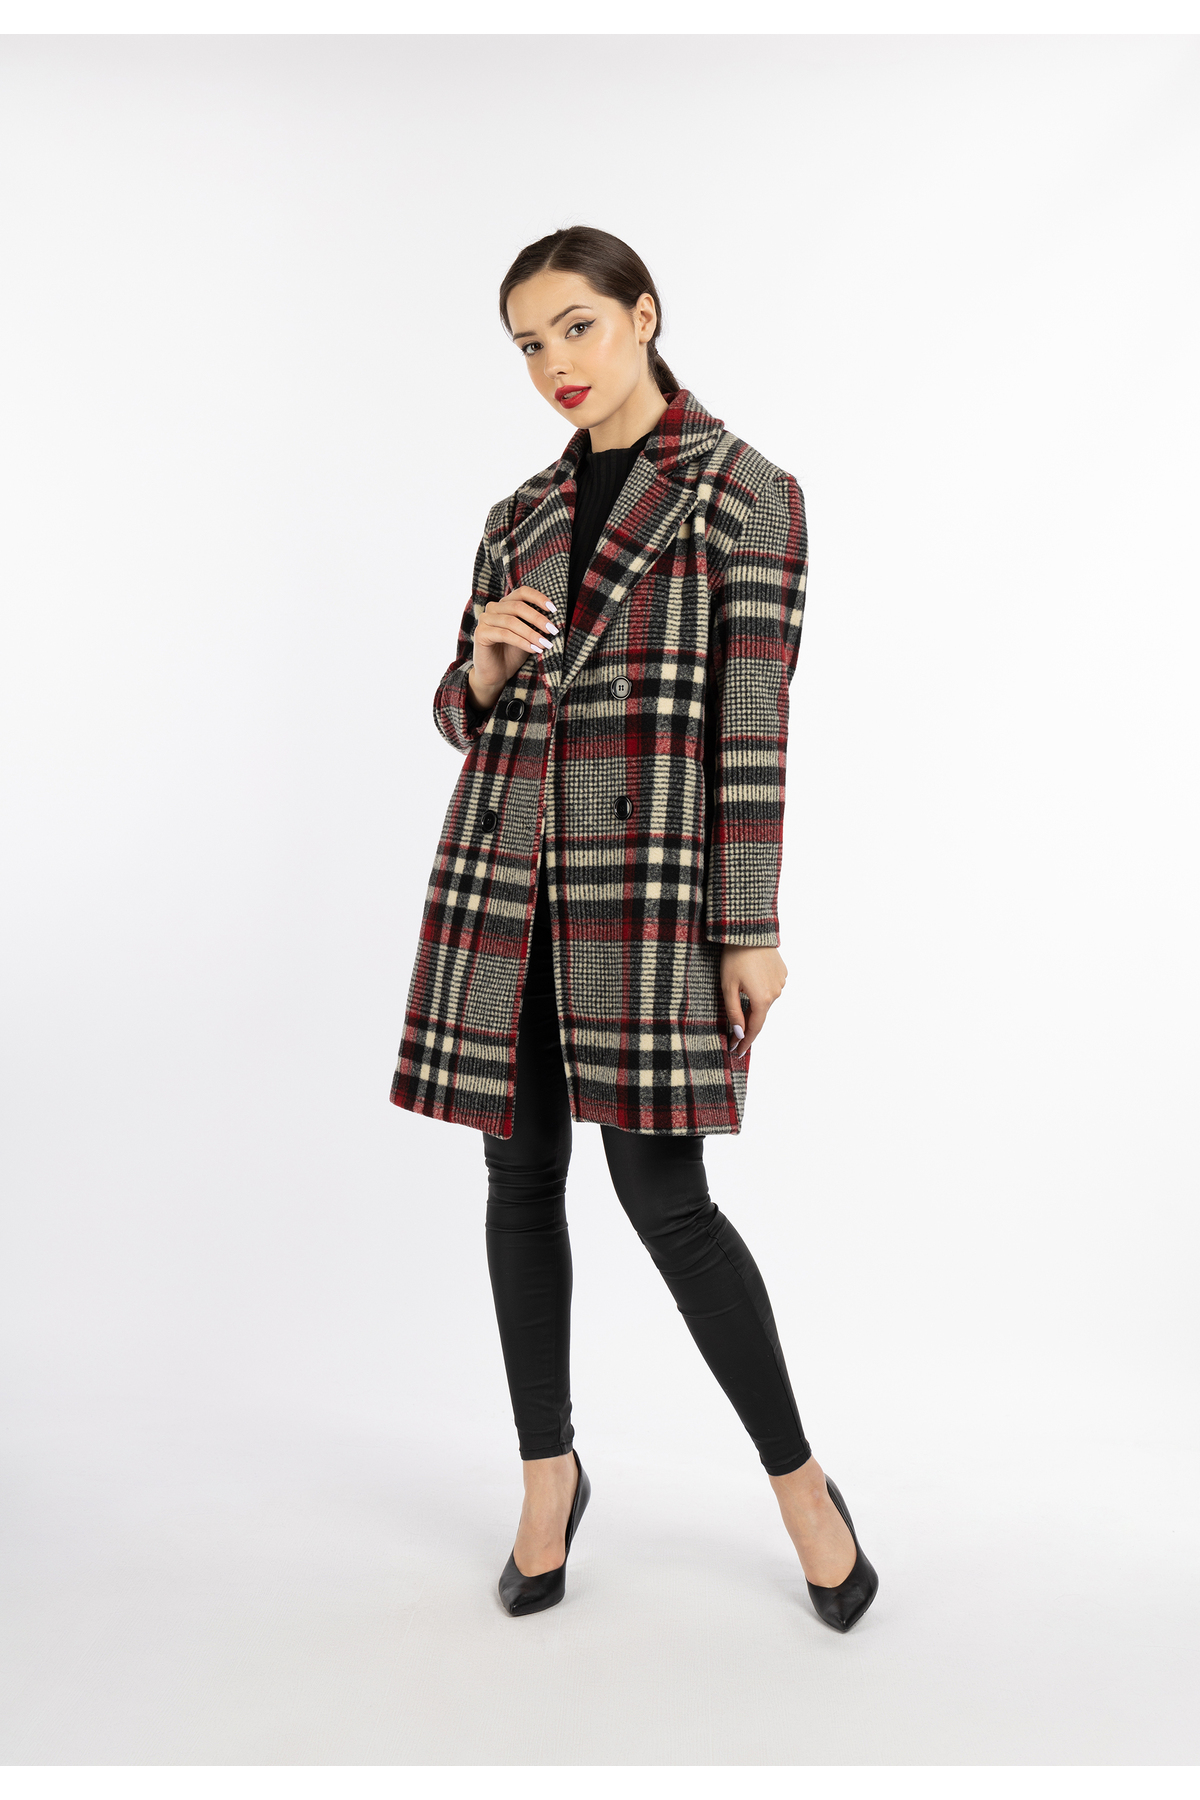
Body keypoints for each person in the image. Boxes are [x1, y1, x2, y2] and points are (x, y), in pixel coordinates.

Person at [390, 226, 878, 1632]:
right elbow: (460, 714)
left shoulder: (745, 493)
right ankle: (548, 1476)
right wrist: (481, 663)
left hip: (650, 894)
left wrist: (749, 927)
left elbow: (753, 726)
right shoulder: (519, 511)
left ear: (644, 314)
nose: (553, 362)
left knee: (667, 1201)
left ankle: (801, 1486)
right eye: (527, 343)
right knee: (518, 1178)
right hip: (509, 883)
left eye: (576, 327)